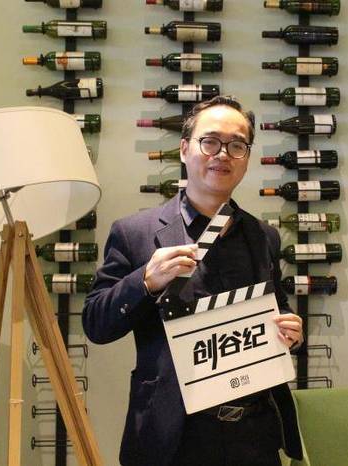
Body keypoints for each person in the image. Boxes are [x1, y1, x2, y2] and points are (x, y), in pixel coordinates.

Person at [82, 96, 304, 466]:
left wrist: (292, 331)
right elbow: (96, 325)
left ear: (247, 157)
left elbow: (276, 311)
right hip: (173, 438)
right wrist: (145, 281)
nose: (223, 154)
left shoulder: (263, 236)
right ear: (185, 149)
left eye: (237, 145)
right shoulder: (135, 233)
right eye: (210, 142)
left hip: (254, 436)